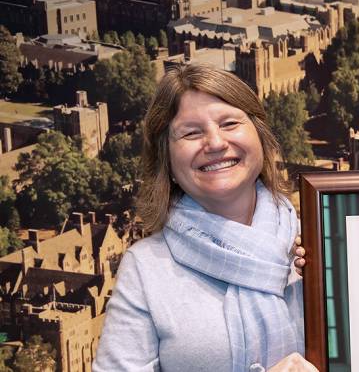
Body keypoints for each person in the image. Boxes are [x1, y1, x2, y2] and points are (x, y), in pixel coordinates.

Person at [94, 64, 317, 372]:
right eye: (191, 132)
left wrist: (341, 287)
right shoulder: (146, 269)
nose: (214, 143)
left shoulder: (317, 247)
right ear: (167, 160)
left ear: (260, 138)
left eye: (229, 123)